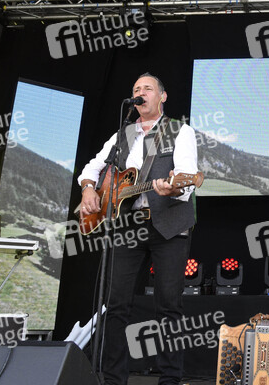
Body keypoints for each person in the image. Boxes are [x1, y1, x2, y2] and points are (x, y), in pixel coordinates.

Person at [78, 73, 198, 385]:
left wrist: (174, 187)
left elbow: (187, 174)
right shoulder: (124, 133)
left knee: (169, 305)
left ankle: (170, 379)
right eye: (136, 89)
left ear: (163, 96)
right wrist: (89, 189)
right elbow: (94, 166)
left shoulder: (180, 131)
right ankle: (113, 379)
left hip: (169, 226)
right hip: (128, 225)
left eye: (147, 88)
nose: (140, 92)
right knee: (116, 304)